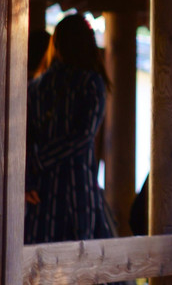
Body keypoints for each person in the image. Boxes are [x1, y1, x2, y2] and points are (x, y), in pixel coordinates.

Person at [24, 14, 117, 244]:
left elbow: (24, 141)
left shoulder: (35, 87)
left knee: (40, 264)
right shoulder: (91, 83)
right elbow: (83, 137)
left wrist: (29, 172)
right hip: (79, 193)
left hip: (42, 193)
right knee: (87, 266)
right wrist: (37, 162)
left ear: (55, 44)